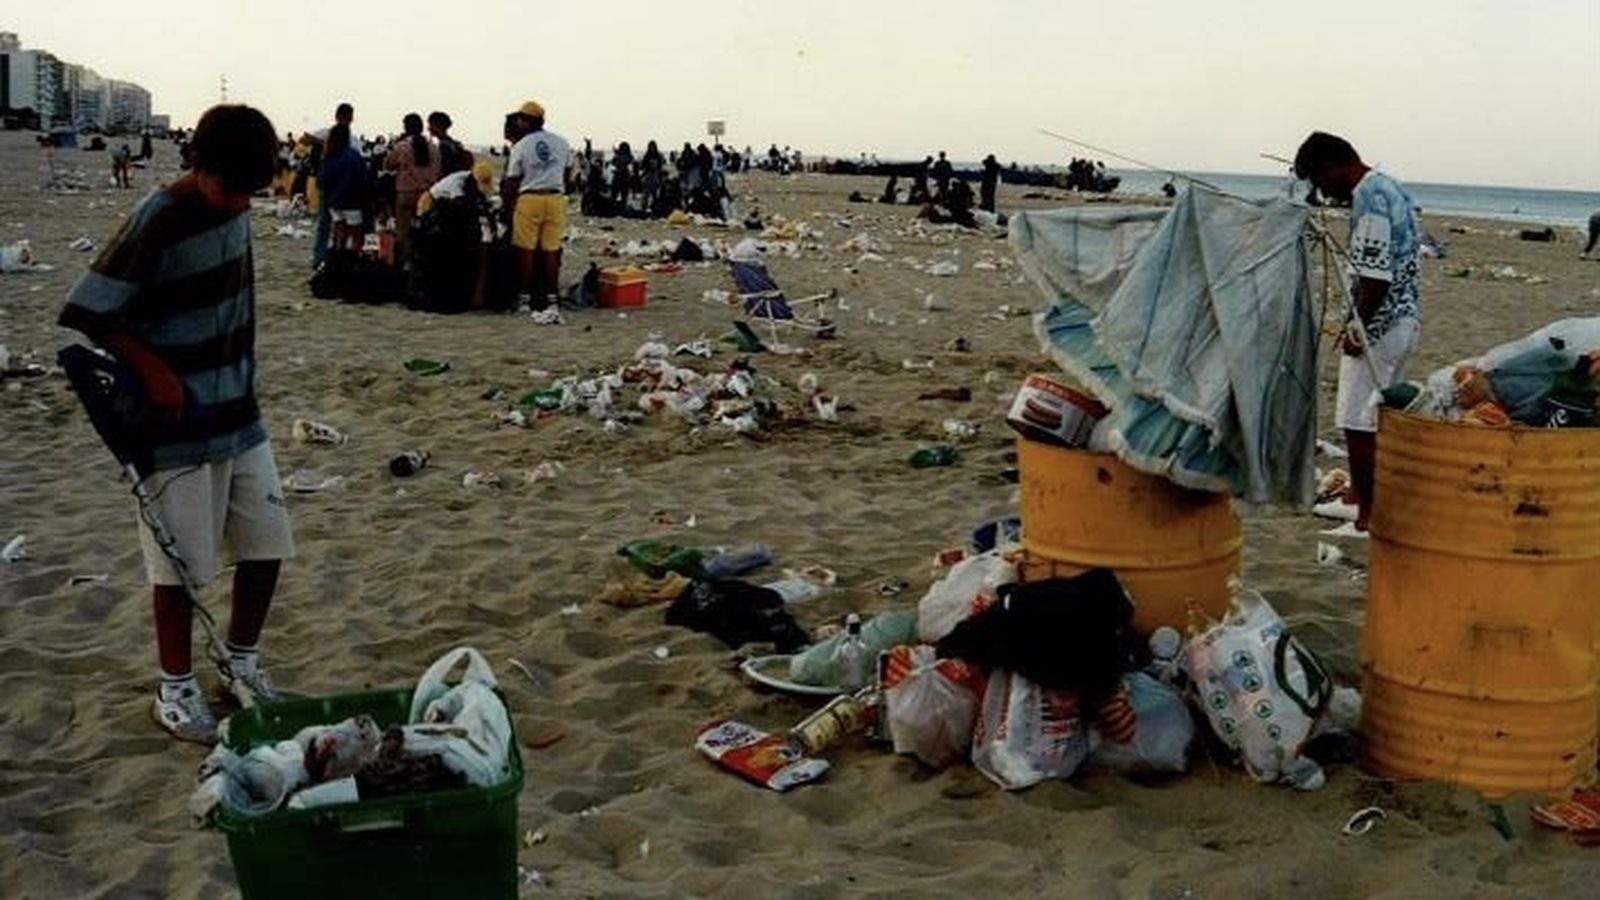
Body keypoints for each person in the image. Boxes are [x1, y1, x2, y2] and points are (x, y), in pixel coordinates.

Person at [58, 104, 294, 743]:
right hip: (176, 425)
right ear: (199, 167)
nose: (243, 204)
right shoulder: (158, 218)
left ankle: (239, 663)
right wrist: (153, 370)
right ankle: (175, 687)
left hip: (239, 412)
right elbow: (89, 310)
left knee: (267, 542)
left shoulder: (235, 207)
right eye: (232, 190)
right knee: (179, 567)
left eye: (253, 192)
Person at [1294, 131, 1421, 534]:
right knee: (1374, 417)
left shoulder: (1370, 197)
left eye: (1319, 179)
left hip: (1381, 327)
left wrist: (1357, 327)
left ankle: (1368, 514)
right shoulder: (1389, 186)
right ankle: (1361, 497)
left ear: (1335, 165)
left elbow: (1375, 276)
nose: (1323, 192)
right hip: (1402, 320)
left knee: (1357, 420)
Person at [501, 100, 571, 310]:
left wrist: (508, 206)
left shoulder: (521, 145)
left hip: (530, 199)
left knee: (526, 250)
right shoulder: (561, 142)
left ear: (523, 122)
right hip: (556, 199)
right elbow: (567, 174)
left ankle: (525, 297)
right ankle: (551, 297)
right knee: (551, 250)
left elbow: (512, 180)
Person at [385, 113, 442, 269]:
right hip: (427, 195)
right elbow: (438, 172)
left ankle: (405, 265)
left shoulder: (402, 146)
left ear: (405, 128)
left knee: (403, 232)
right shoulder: (434, 148)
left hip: (406, 193)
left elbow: (388, 165)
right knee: (425, 231)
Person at [311, 103, 354, 268]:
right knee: (342, 226)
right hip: (344, 190)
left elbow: (322, 176)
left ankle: (321, 259)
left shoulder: (328, 139)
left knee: (326, 225)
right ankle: (336, 260)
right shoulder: (351, 144)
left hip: (329, 189)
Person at [319, 124, 370, 256]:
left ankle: (338, 261)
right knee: (356, 236)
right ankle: (354, 263)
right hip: (352, 201)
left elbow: (323, 180)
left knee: (340, 232)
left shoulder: (328, 155)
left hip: (334, 202)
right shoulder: (354, 156)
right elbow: (364, 178)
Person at [428, 111, 472, 176]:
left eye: (431, 125)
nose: (428, 128)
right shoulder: (457, 145)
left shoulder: (440, 147)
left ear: (437, 126)